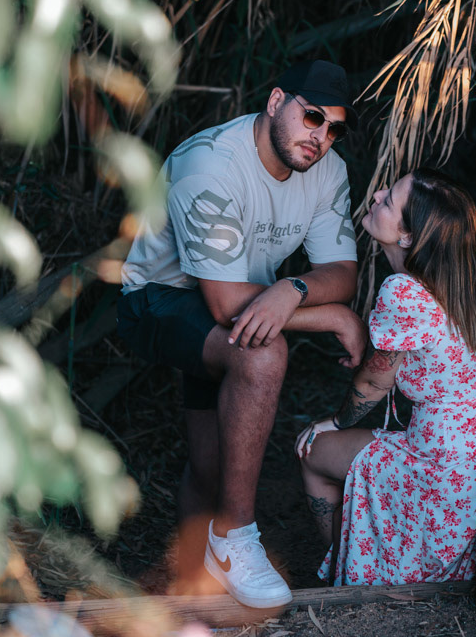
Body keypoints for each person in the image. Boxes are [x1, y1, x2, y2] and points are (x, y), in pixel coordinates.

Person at [117, 60, 367, 607]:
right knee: (261, 355)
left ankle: (192, 591)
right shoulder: (209, 165)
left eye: (334, 128)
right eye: (312, 117)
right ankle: (234, 538)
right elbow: (226, 304)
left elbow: (341, 274)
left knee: (214, 465)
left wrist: (292, 290)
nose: (320, 136)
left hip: (244, 300)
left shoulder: (327, 171)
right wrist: (329, 316)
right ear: (277, 100)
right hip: (158, 300)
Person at [296, 167, 476, 586]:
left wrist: (335, 422)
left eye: (388, 200)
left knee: (313, 451)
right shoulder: (469, 283)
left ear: (408, 237)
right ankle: (353, 562)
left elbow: (374, 383)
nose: (375, 196)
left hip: (450, 471)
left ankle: (343, 577)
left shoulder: (404, 292)